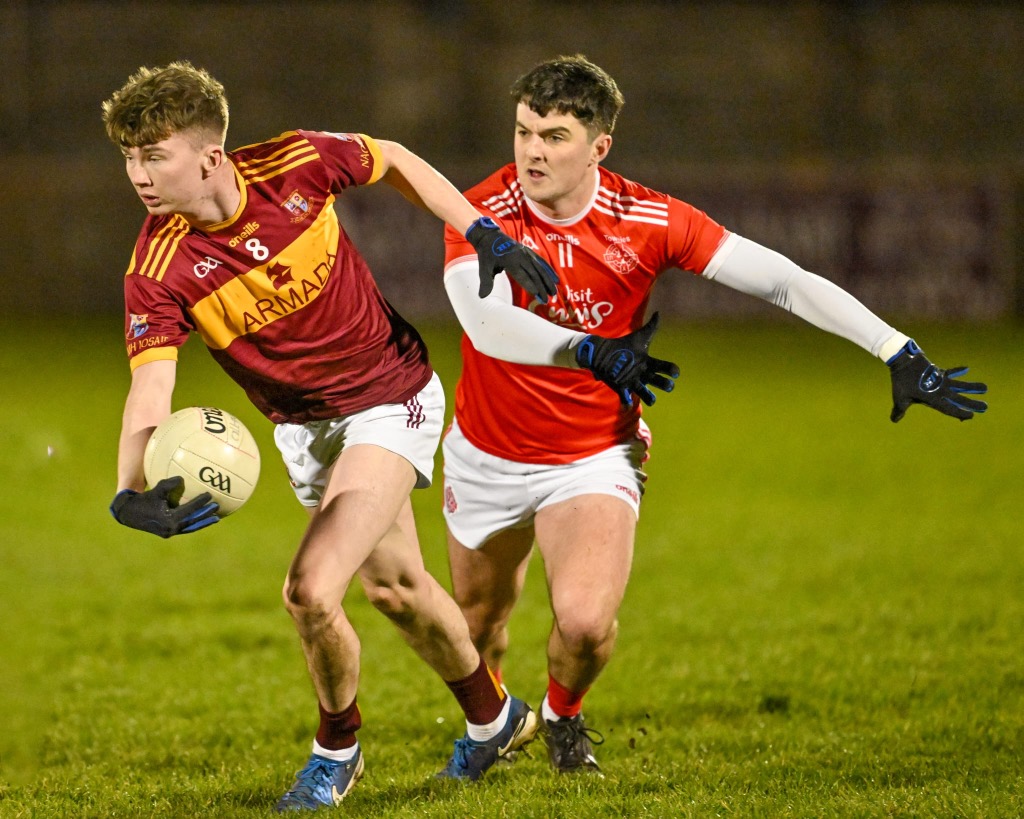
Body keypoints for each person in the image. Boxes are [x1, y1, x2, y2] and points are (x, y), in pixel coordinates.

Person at [440, 54, 988, 776]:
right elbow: (486, 328)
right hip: (489, 451)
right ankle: (494, 726)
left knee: (584, 625)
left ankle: (564, 716)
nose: (532, 152)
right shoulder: (483, 216)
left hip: (591, 452)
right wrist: (591, 350)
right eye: (523, 131)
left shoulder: (648, 219)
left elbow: (782, 281)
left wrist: (893, 347)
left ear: (600, 146)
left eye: (555, 136)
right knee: (479, 624)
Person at [101, 60, 563, 812]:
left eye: (153, 155)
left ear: (209, 156)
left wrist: (481, 230)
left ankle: (335, 750)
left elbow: (394, 157)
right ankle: (496, 718)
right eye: (129, 157)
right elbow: (152, 386)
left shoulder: (295, 165)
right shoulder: (159, 268)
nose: (138, 174)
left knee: (311, 589)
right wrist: (129, 487)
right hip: (304, 430)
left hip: (392, 396)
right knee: (397, 588)